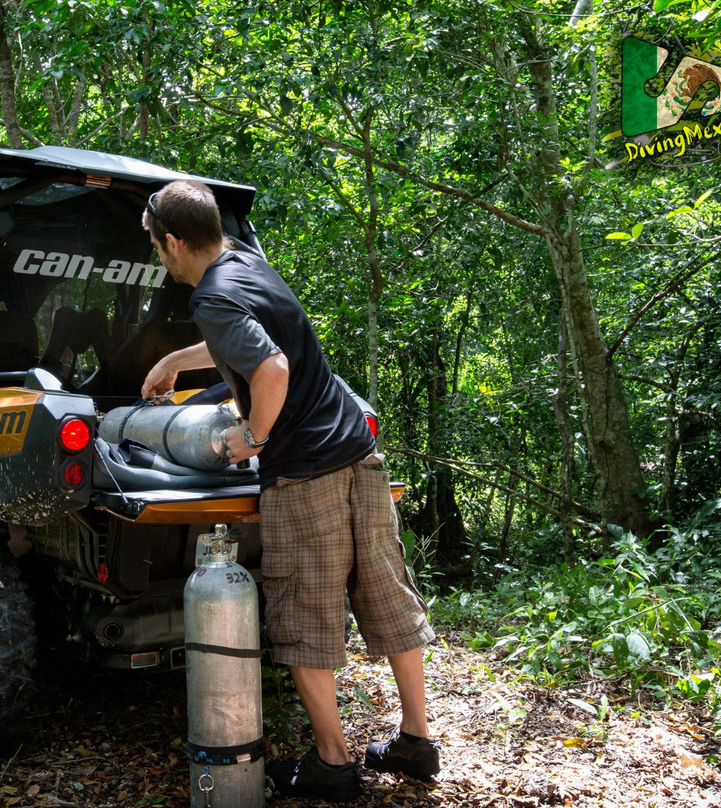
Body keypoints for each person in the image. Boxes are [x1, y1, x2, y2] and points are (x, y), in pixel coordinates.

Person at [141, 180, 439, 802]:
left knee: (304, 617)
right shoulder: (246, 263)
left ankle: (332, 764)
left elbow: (269, 366)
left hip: (305, 473)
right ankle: (415, 741)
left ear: (173, 242)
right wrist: (174, 362)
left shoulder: (210, 295)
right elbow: (246, 336)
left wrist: (253, 436)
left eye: (156, 248)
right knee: (386, 596)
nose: (160, 260)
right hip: (358, 452)